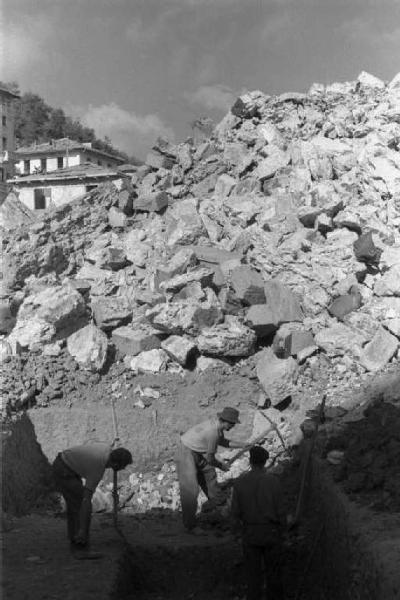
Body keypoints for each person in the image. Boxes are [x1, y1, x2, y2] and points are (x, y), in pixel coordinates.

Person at [53, 442, 132, 558]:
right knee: (79, 505)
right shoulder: (97, 469)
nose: (123, 469)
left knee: (76, 503)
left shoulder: (107, 449)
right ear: (115, 464)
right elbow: (86, 500)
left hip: (65, 463)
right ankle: (79, 546)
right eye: (122, 466)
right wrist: (84, 529)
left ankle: (77, 540)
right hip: (64, 469)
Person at [176, 407, 246, 534]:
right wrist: (222, 466)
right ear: (226, 422)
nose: (233, 426)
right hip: (185, 451)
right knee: (190, 489)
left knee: (209, 473)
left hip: (196, 451)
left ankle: (217, 507)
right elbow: (210, 458)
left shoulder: (216, 426)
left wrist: (244, 445)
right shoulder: (213, 432)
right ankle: (190, 526)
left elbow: (224, 442)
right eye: (233, 424)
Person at [231, 446, 286, 600]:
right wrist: (284, 532)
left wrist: (236, 533)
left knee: (253, 577)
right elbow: (281, 510)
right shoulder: (274, 482)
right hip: (271, 533)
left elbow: (235, 512)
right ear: (265, 462)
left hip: (250, 533)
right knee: (274, 576)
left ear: (250, 461)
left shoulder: (240, 482)